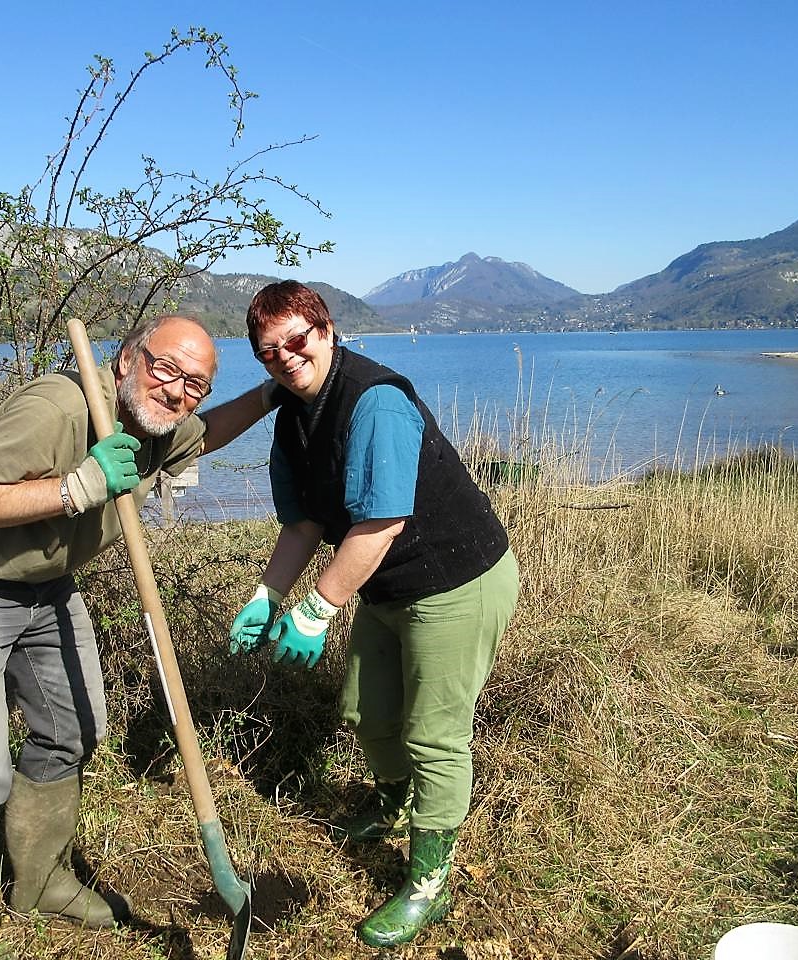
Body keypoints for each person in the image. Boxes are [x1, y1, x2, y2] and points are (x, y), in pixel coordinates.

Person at [0, 315, 273, 960]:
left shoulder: (157, 424)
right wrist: (75, 488)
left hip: (47, 586)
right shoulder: (59, 406)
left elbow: (207, 434)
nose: (178, 391)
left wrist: (276, 392)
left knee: (73, 729)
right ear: (129, 359)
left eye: (196, 383)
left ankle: (40, 881)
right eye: (166, 369)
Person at [227, 281, 519, 948]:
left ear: (326, 331)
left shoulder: (376, 401)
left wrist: (317, 608)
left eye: (296, 341)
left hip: (455, 579)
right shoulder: (294, 417)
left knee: (433, 735)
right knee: (366, 709)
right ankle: (391, 802)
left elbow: (381, 522)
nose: (285, 357)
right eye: (269, 352)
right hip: (387, 587)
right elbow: (304, 525)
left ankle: (427, 884)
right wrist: (268, 595)